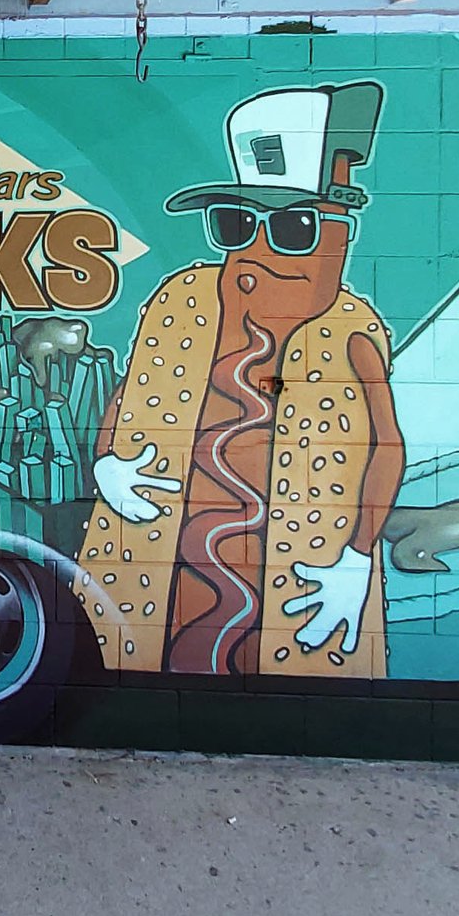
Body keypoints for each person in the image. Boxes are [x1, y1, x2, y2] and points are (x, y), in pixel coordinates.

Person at [73, 82, 406, 678]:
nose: (256, 248)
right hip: (167, 570)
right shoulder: (183, 298)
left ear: (339, 233)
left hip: (300, 575)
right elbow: (129, 391)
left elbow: (387, 445)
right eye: (233, 222)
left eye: (293, 226)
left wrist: (356, 558)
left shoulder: (351, 329)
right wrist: (107, 462)